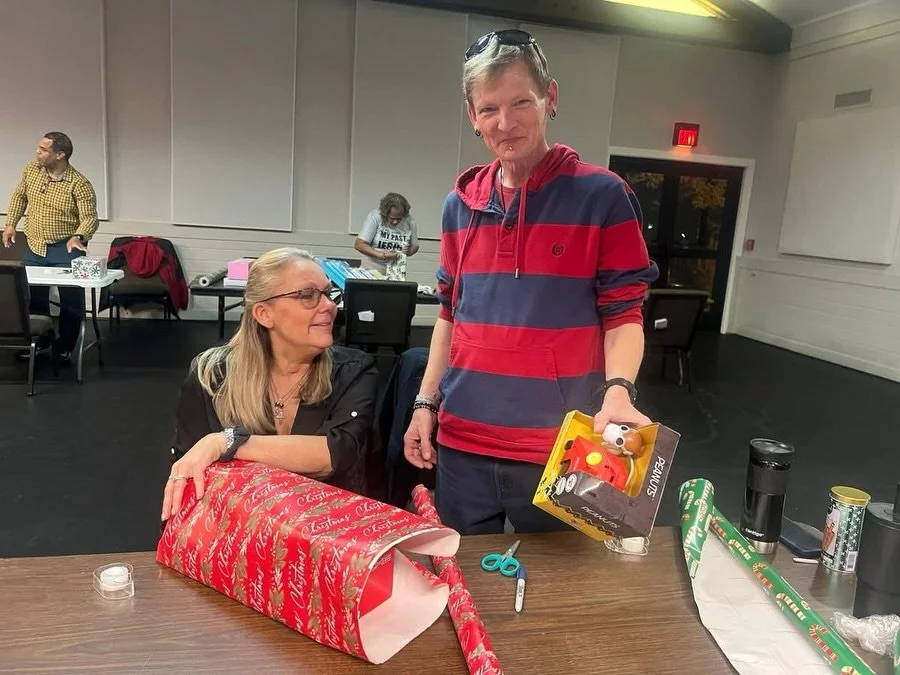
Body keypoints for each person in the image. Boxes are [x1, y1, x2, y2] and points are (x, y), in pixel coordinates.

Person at [403, 30, 659, 535]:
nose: (506, 122)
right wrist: (424, 403)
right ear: (472, 115)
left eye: (521, 101)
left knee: (559, 599)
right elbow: (450, 315)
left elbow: (624, 311)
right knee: (463, 590)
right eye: (489, 108)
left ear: (551, 98)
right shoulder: (459, 206)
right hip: (463, 446)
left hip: (564, 445)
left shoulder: (602, 195)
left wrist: (619, 392)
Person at [161, 248, 382, 521]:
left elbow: (335, 453)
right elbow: (189, 473)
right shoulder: (212, 375)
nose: (329, 306)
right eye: (308, 295)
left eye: (328, 293)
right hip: (241, 530)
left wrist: (226, 443)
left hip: (328, 532)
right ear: (264, 314)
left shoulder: (353, 370)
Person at [2, 132, 98, 361]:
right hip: (35, 246)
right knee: (32, 297)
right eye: (38, 148)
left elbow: (90, 218)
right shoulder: (31, 170)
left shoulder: (79, 183)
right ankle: (39, 343)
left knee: (71, 300)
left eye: (43, 150)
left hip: (65, 247)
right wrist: (10, 225)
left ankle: (64, 348)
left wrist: (79, 235)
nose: (37, 152)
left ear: (60, 154)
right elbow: (19, 197)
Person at [354, 192, 420, 273]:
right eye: (392, 218)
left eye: (399, 219)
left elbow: (415, 247)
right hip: (371, 270)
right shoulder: (375, 217)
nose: (395, 222)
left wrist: (408, 251)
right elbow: (359, 244)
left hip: (396, 272)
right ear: (385, 214)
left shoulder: (409, 221)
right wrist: (381, 254)